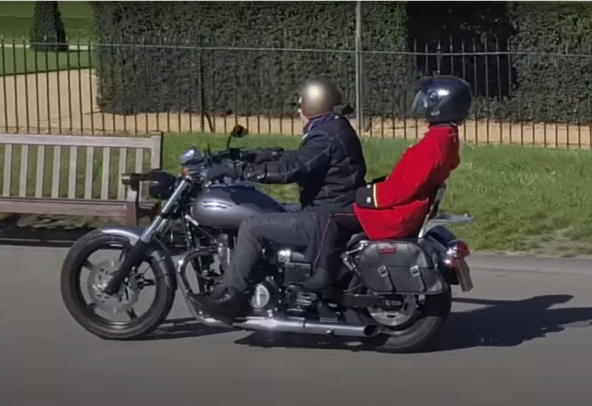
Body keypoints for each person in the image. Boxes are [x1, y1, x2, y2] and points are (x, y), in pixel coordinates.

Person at [189, 78, 367, 325]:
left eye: (300, 104)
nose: (297, 110)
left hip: (323, 213)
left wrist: (240, 170)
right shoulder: (333, 128)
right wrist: (256, 154)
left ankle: (230, 299)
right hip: (329, 206)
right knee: (275, 211)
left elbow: (291, 169)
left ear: (314, 104)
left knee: (252, 226)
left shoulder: (324, 136)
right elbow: (300, 158)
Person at [311, 75, 472, 273]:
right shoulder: (446, 138)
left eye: (426, 98)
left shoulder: (434, 145)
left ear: (439, 103)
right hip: (408, 208)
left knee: (329, 214)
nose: (420, 103)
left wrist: (364, 195)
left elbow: (403, 189)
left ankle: (322, 274)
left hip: (397, 214)